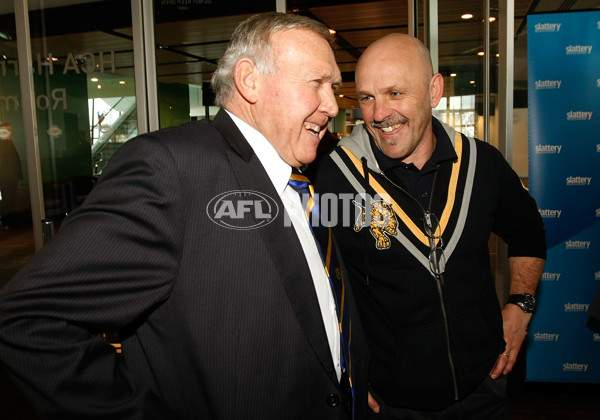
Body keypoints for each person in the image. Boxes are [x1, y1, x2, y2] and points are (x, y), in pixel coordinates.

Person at [0, 12, 369, 419]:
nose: (332, 105)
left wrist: (350, 379)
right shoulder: (172, 167)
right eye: (316, 83)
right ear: (250, 81)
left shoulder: (301, 176)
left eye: (332, 87)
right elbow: (28, 318)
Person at [312, 33, 546, 419]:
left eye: (395, 93)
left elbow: (527, 231)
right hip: (389, 402)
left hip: (483, 389)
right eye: (367, 97)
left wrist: (521, 305)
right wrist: (344, 367)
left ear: (434, 90)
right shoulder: (332, 180)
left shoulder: (481, 164)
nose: (379, 113)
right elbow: (314, 285)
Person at [0, 122, 23, 230]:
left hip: (10, 177)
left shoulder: (8, 143)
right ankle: (8, 222)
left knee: (10, 199)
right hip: (6, 177)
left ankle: (9, 222)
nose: (10, 132)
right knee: (7, 200)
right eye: (8, 130)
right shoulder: (4, 144)